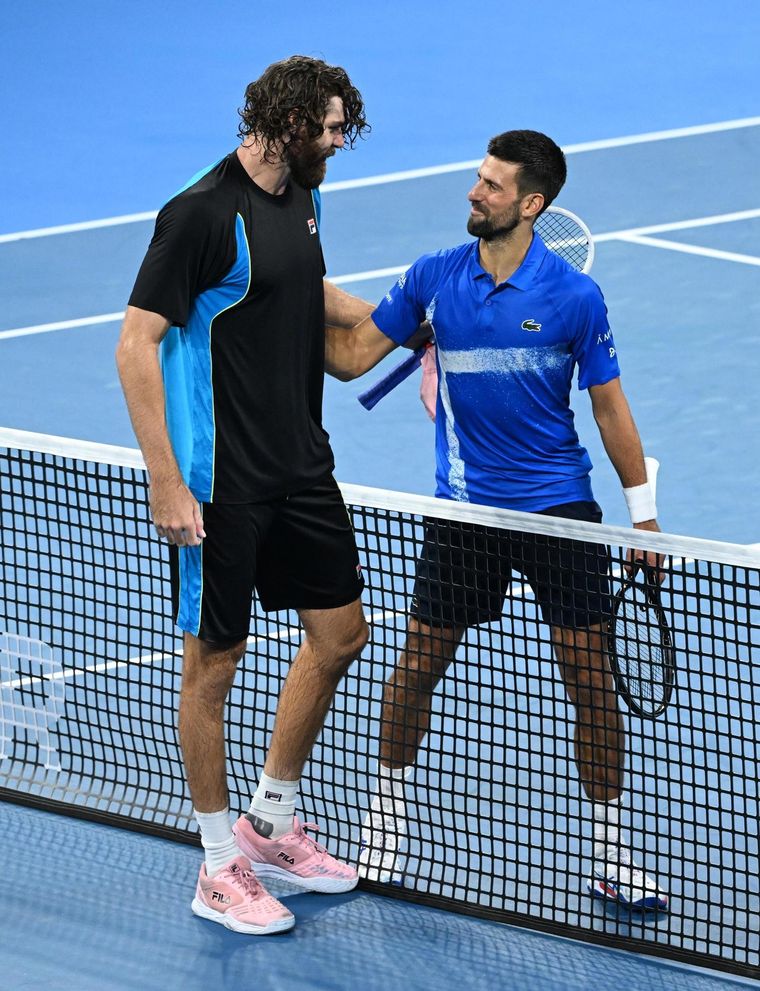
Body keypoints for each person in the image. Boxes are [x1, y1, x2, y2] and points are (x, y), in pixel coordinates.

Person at [325, 130, 668, 911]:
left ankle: (610, 852)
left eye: (491, 184)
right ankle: (386, 820)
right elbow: (350, 358)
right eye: (478, 178)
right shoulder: (434, 277)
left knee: (590, 679)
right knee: (418, 665)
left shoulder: (575, 297)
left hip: (559, 509)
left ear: (531, 203)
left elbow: (609, 408)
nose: (474, 192)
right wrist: (289, 287)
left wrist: (643, 520)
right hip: (466, 509)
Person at [116, 55, 392, 935]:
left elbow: (304, 292)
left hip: (301, 466)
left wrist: (401, 315)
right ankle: (217, 863)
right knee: (215, 666)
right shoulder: (200, 214)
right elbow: (134, 343)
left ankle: (269, 823)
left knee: (341, 634)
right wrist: (166, 479)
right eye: (332, 129)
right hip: (220, 481)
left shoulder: (303, 196)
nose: (340, 143)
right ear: (289, 123)